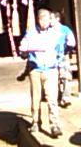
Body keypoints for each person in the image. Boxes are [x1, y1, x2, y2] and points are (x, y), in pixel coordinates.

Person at [19, 8, 63, 138]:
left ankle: (54, 124)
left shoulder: (55, 33)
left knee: (52, 97)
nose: (45, 21)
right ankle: (35, 121)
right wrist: (24, 50)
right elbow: (23, 51)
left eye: (48, 19)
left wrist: (61, 67)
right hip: (36, 69)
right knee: (36, 97)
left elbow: (60, 51)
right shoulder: (31, 33)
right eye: (43, 19)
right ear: (38, 20)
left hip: (50, 68)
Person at [51, 11, 76, 107]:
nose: (50, 21)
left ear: (57, 19)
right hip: (51, 56)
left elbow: (72, 42)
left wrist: (66, 50)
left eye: (51, 18)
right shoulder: (48, 30)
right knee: (54, 77)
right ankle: (56, 97)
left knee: (66, 76)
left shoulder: (65, 29)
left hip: (63, 55)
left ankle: (66, 97)